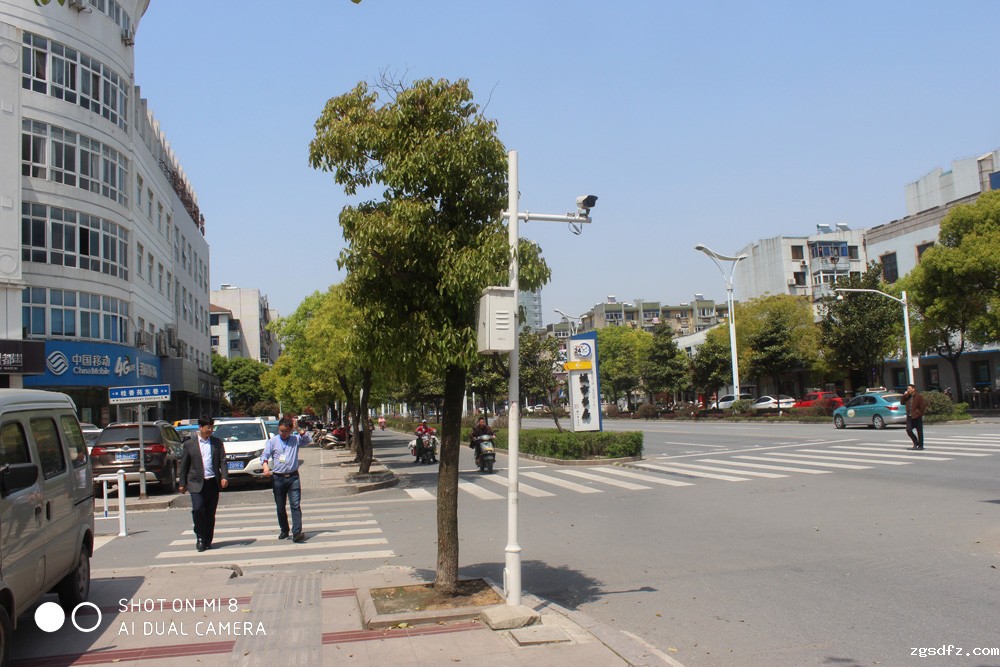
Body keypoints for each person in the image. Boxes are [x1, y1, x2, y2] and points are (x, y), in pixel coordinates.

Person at [178, 415, 229, 552]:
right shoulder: (189, 444)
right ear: (200, 427)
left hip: (212, 482)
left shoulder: (217, 442)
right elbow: (184, 465)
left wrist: (224, 477)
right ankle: (200, 536)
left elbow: (223, 461)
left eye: (212, 427)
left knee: (210, 513)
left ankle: (208, 539)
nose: (210, 430)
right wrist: (182, 483)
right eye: (208, 427)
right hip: (195, 482)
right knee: (198, 509)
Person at [261, 417, 311, 542]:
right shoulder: (273, 441)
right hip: (278, 477)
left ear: (290, 430)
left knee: (295, 505)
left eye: (286, 431)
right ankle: (284, 529)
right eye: (281, 431)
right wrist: (265, 466)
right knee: (280, 506)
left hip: (293, 477)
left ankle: (297, 532)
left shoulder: (295, 439)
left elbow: (308, 440)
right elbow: (265, 455)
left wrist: (298, 429)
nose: (283, 434)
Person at [901, 383, 927, 450]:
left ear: (913, 389)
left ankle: (921, 446)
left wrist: (920, 414)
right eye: (907, 389)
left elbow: (923, 407)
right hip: (910, 417)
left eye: (909, 388)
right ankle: (916, 442)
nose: (908, 390)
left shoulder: (919, 396)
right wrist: (904, 395)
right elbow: (902, 403)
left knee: (919, 432)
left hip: (917, 417)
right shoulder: (907, 396)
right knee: (908, 430)